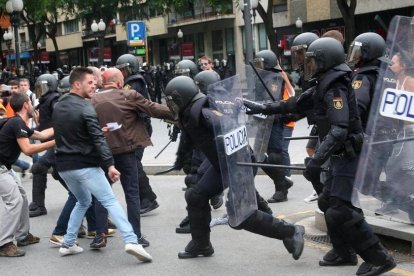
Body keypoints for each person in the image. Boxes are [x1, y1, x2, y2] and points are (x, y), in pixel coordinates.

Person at [244, 37, 396, 276]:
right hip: (340, 154)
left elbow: (339, 129)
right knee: (327, 202)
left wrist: (316, 161)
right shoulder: (325, 82)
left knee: (340, 209)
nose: (308, 65)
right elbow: (293, 104)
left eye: (313, 61)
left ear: (325, 61)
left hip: (350, 154)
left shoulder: (335, 87)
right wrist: (257, 107)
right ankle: (343, 252)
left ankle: (379, 258)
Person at [164, 75, 305, 260]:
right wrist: (181, 160)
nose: (171, 106)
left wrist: (223, 138)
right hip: (223, 162)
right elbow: (189, 138)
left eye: (173, 102)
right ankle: (201, 244)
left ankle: (290, 232)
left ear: (182, 98)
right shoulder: (191, 112)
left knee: (241, 216)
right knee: (195, 195)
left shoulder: (203, 112)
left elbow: (226, 126)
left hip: (238, 161)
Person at [52, 67, 152, 262]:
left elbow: (73, 134)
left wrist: (98, 132)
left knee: (83, 201)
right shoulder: (86, 107)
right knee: (110, 201)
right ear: (76, 84)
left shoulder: (59, 106)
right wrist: (110, 165)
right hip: (85, 166)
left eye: (94, 82)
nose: (94, 85)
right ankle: (132, 241)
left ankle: (68, 243)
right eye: (90, 83)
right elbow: (97, 140)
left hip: (64, 166)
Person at [90, 67, 175, 249]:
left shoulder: (92, 99)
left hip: (103, 154)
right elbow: (153, 109)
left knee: (102, 195)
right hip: (127, 152)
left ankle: (99, 235)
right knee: (132, 194)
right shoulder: (129, 95)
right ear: (119, 82)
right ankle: (135, 235)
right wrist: (178, 112)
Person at [0, 92, 55, 257]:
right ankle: (4, 243)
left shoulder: (19, 123)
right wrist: (58, 142)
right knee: (14, 201)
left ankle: (23, 236)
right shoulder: (16, 123)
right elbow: (28, 149)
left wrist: (64, 126)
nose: (33, 106)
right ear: (25, 105)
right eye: (31, 104)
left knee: (22, 196)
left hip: (5, 167)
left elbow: (43, 135)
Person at [116, 54, 159, 214]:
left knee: (133, 163)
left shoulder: (134, 83)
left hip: (139, 127)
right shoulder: (132, 81)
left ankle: (148, 199)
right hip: (136, 126)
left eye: (124, 69)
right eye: (120, 70)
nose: (122, 72)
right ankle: (146, 199)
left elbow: (122, 100)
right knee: (133, 163)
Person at [253, 50, 295, 203]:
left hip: (275, 122)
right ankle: (283, 180)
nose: (258, 66)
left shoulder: (275, 78)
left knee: (274, 156)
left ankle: (281, 190)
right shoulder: (261, 78)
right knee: (257, 156)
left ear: (269, 63)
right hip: (263, 122)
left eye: (261, 63)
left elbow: (272, 100)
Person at [290, 32, 320, 203]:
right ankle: (321, 188)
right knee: (311, 152)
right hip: (317, 120)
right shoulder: (307, 73)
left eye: (300, 52)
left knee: (316, 160)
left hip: (327, 122)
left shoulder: (318, 72)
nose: (297, 56)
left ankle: (324, 189)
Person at [27, 74, 61, 217]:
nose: (41, 90)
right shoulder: (45, 101)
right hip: (53, 142)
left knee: (39, 167)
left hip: (59, 143)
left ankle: (39, 206)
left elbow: (61, 120)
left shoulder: (55, 100)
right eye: (39, 88)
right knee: (59, 173)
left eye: (44, 87)